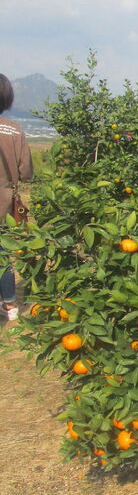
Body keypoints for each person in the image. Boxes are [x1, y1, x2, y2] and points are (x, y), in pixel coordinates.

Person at [0, 74, 33, 321]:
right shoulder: (14, 129)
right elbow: (27, 172)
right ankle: (10, 304)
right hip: (4, 202)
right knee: (3, 252)